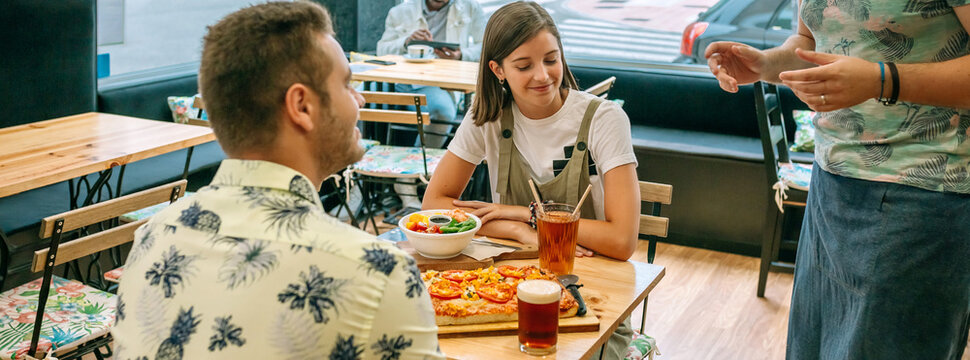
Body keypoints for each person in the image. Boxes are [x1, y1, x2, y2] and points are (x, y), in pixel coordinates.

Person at [111, 3, 444, 359]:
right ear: (301, 106)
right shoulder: (375, 273)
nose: (359, 99)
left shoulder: (152, 240)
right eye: (347, 84)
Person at [705, 0, 970, 358]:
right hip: (831, 183)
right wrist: (766, 64)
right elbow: (809, 42)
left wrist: (882, 80)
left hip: (921, 196)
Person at [423, 2, 640, 357]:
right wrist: (514, 231)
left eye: (551, 60)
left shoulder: (604, 119)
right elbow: (435, 205)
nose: (542, 76)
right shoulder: (487, 119)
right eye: (524, 66)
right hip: (508, 292)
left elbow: (621, 240)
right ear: (498, 70)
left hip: (590, 298)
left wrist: (526, 216)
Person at [378, 0, 486, 209]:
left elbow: (487, 44)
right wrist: (406, 41)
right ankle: (398, 180)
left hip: (442, 83)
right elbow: (381, 48)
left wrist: (461, 54)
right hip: (406, 82)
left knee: (446, 110)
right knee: (440, 110)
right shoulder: (400, 11)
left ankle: (410, 178)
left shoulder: (470, 8)